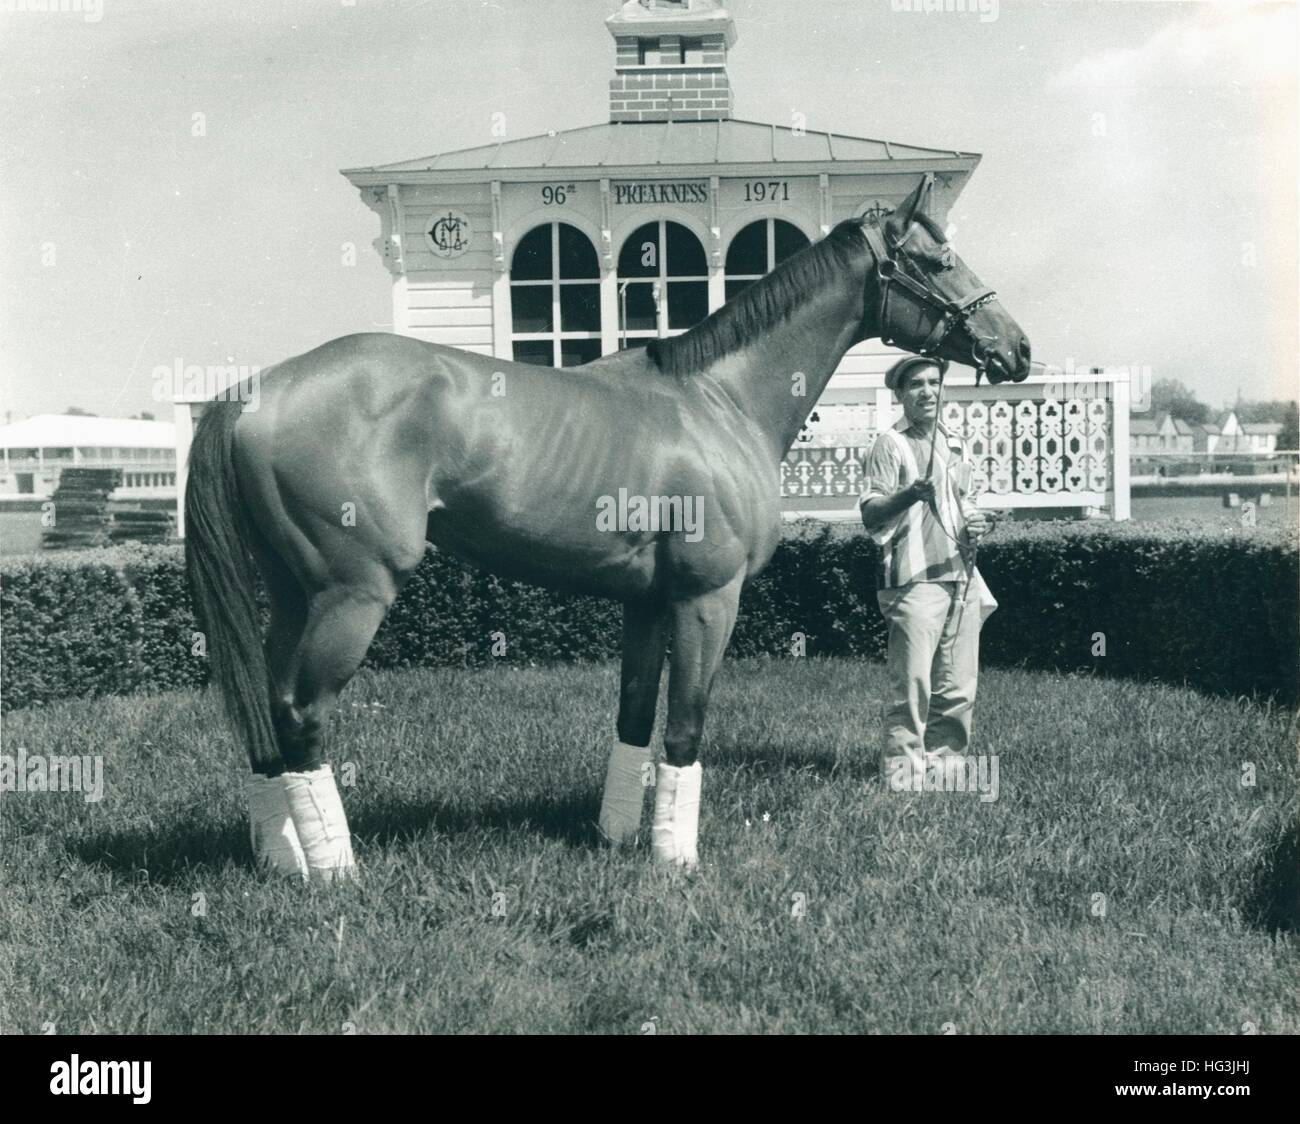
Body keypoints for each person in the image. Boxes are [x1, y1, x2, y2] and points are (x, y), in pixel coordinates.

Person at [858, 355, 997, 788]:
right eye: (915, 384)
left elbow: (966, 501)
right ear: (899, 395)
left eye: (934, 382)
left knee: (957, 687)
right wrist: (910, 494)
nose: (927, 391)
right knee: (913, 689)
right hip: (913, 579)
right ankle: (904, 781)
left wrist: (979, 520)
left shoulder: (954, 442)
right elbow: (871, 512)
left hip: (961, 575)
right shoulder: (888, 444)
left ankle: (947, 774)